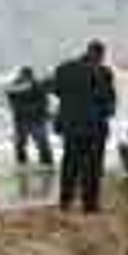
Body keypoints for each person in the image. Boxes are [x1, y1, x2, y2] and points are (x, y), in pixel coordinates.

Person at [52, 40, 116, 213]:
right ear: (101, 55)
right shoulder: (103, 72)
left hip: (70, 127)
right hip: (94, 129)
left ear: (86, 51)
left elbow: (56, 91)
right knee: (92, 168)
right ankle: (90, 205)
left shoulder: (63, 69)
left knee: (69, 165)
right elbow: (109, 105)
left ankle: (65, 202)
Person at [5, 66, 54, 166]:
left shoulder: (37, 86)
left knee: (42, 145)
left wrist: (40, 112)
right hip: (22, 120)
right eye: (24, 76)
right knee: (20, 145)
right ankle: (22, 166)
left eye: (27, 77)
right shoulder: (14, 86)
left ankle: (47, 166)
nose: (26, 79)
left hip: (36, 120)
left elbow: (44, 103)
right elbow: (12, 103)